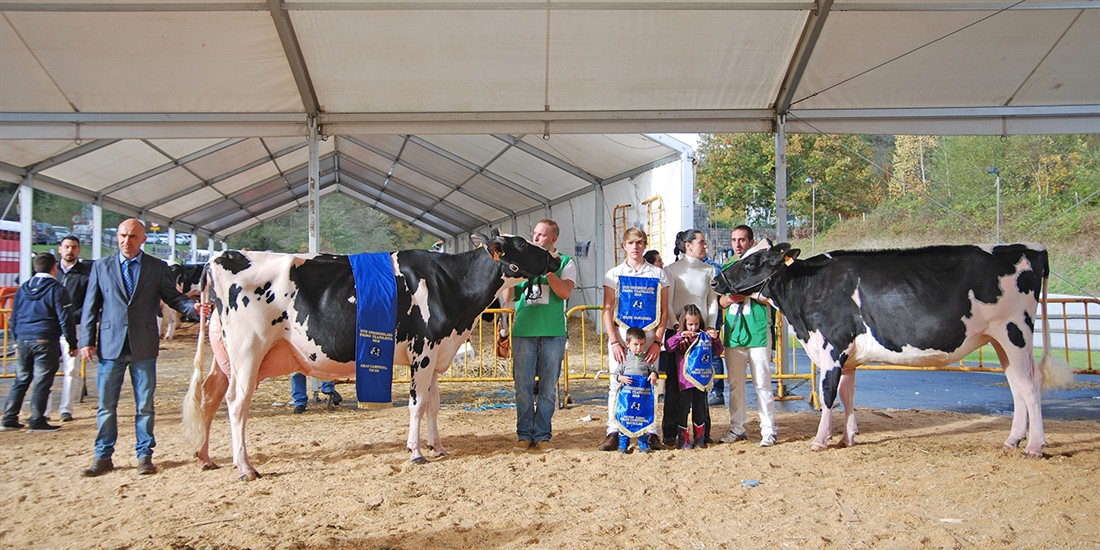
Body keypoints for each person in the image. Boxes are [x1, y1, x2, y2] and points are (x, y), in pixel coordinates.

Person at [79, 218, 212, 477]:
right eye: (122, 235)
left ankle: (144, 455)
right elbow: (90, 307)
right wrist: (86, 341)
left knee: (145, 405)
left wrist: (192, 308)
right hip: (109, 346)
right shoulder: (100, 267)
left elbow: (173, 298)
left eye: (132, 236)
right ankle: (103, 456)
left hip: (144, 345)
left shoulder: (157, 267)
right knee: (107, 404)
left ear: (143, 239)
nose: (126, 241)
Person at [598, 227, 668, 452]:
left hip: (648, 337)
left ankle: (651, 432)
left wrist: (657, 341)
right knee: (616, 383)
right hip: (623, 336)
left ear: (644, 245)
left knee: (650, 383)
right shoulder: (614, 273)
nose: (635, 247)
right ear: (624, 246)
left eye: (639, 243)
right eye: (631, 243)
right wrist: (614, 341)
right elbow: (607, 309)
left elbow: (664, 312)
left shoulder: (658, 274)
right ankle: (613, 430)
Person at [511, 219, 575, 453]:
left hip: (553, 333)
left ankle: (543, 434)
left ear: (553, 239)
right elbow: (510, 294)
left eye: (542, 235)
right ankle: (524, 434)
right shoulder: (524, 264)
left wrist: (547, 270)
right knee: (523, 387)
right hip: (523, 332)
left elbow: (565, 292)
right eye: (535, 234)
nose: (536, 238)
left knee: (548, 389)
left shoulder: (565, 262)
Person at [1, 253, 78, 432]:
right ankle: (37, 419)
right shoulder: (56, 289)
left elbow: (14, 317)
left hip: (24, 340)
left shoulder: (23, 288)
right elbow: (65, 317)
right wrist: (71, 343)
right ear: (54, 268)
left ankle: (9, 417)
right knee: (43, 380)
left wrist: (17, 340)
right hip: (45, 339)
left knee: (21, 379)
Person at [718, 225, 777, 447]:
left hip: (758, 330)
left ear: (751, 242)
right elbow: (720, 300)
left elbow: (771, 297)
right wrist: (731, 298)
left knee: (762, 382)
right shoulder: (728, 267)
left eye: (742, 240)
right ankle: (737, 427)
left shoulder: (763, 267)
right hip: (734, 332)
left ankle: (768, 430)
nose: (737, 244)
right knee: (735, 384)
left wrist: (749, 292)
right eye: (734, 239)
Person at [660, 229, 721, 447]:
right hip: (678, 333)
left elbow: (712, 302)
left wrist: (711, 327)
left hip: (702, 334)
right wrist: (677, 328)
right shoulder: (672, 270)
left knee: (701, 384)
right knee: (676, 387)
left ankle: (703, 431)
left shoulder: (710, 270)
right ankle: (670, 430)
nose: (705, 246)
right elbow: (667, 302)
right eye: (701, 242)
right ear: (688, 246)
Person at [665, 304, 724, 449]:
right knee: (683, 409)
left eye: (696, 324)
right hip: (685, 381)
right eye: (690, 324)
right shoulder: (681, 337)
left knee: (700, 409)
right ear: (683, 323)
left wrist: (715, 338)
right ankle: (683, 439)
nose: (693, 328)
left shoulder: (703, 336)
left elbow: (717, 351)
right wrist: (679, 336)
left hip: (701, 381)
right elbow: (669, 346)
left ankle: (700, 437)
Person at [47, 236, 91, 422]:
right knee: (45, 369)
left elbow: (90, 302)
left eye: (73, 247)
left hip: (74, 327)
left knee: (71, 369)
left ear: (78, 250)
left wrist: (71, 317)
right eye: (66, 247)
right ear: (59, 249)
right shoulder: (51, 273)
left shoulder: (86, 274)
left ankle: (66, 408)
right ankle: (44, 410)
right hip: (49, 328)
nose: (69, 250)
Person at [611, 327, 659, 453]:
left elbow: (653, 370)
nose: (639, 348)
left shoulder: (646, 359)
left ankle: (643, 444)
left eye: (642, 344)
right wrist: (621, 378)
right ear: (628, 344)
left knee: (641, 419)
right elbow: (616, 374)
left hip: (642, 396)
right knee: (625, 418)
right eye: (635, 344)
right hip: (627, 397)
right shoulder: (624, 360)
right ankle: (623, 444)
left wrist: (653, 374)